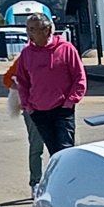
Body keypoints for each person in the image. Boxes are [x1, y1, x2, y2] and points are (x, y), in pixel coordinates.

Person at [15, 14, 87, 162]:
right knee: (54, 154)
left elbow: (79, 77)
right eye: (28, 29)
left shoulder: (66, 49)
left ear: (46, 30)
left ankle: (70, 183)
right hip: (38, 111)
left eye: (33, 29)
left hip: (62, 110)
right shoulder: (26, 53)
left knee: (65, 152)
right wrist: (27, 105)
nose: (29, 33)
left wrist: (71, 101)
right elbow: (22, 82)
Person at [2, 54, 44, 195]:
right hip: (32, 108)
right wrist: (22, 91)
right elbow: (7, 79)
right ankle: (36, 182)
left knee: (61, 149)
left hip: (57, 107)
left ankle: (61, 182)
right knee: (36, 146)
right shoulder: (26, 56)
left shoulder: (60, 52)